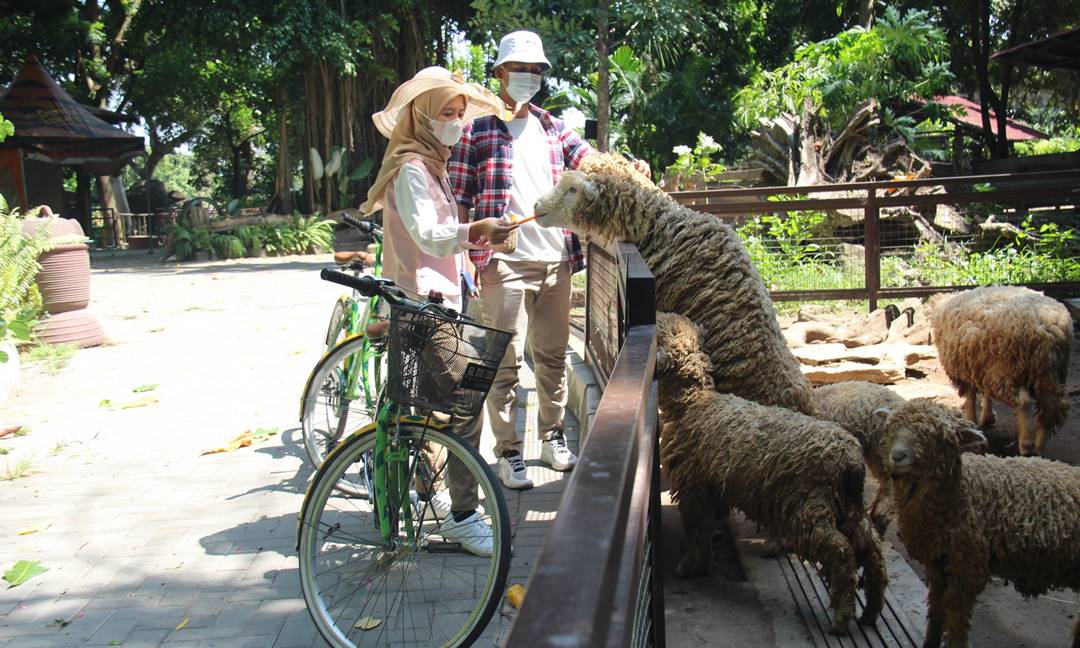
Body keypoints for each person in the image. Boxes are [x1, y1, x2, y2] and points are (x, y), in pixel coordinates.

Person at [449, 31, 650, 490]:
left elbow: (593, 162)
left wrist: (630, 167)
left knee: (553, 356)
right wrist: (468, 259)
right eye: (520, 69)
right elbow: (461, 201)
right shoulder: (475, 131)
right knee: (503, 363)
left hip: (557, 257)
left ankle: (552, 437)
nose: (529, 77)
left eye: (536, 70)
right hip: (503, 259)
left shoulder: (553, 127)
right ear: (500, 73)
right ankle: (508, 453)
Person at [361, 66, 513, 556]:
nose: (455, 122)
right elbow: (427, 235)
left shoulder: (433, 167)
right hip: (425, 307)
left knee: (430, 412)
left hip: (440, 302)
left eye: (459, 113)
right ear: (421, 118)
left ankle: (422, 491)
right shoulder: (411, 170)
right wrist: (476, 231)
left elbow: (441, 241)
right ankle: (465, 517)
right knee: (467, 405)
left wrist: (474, 245)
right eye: (445, 113)